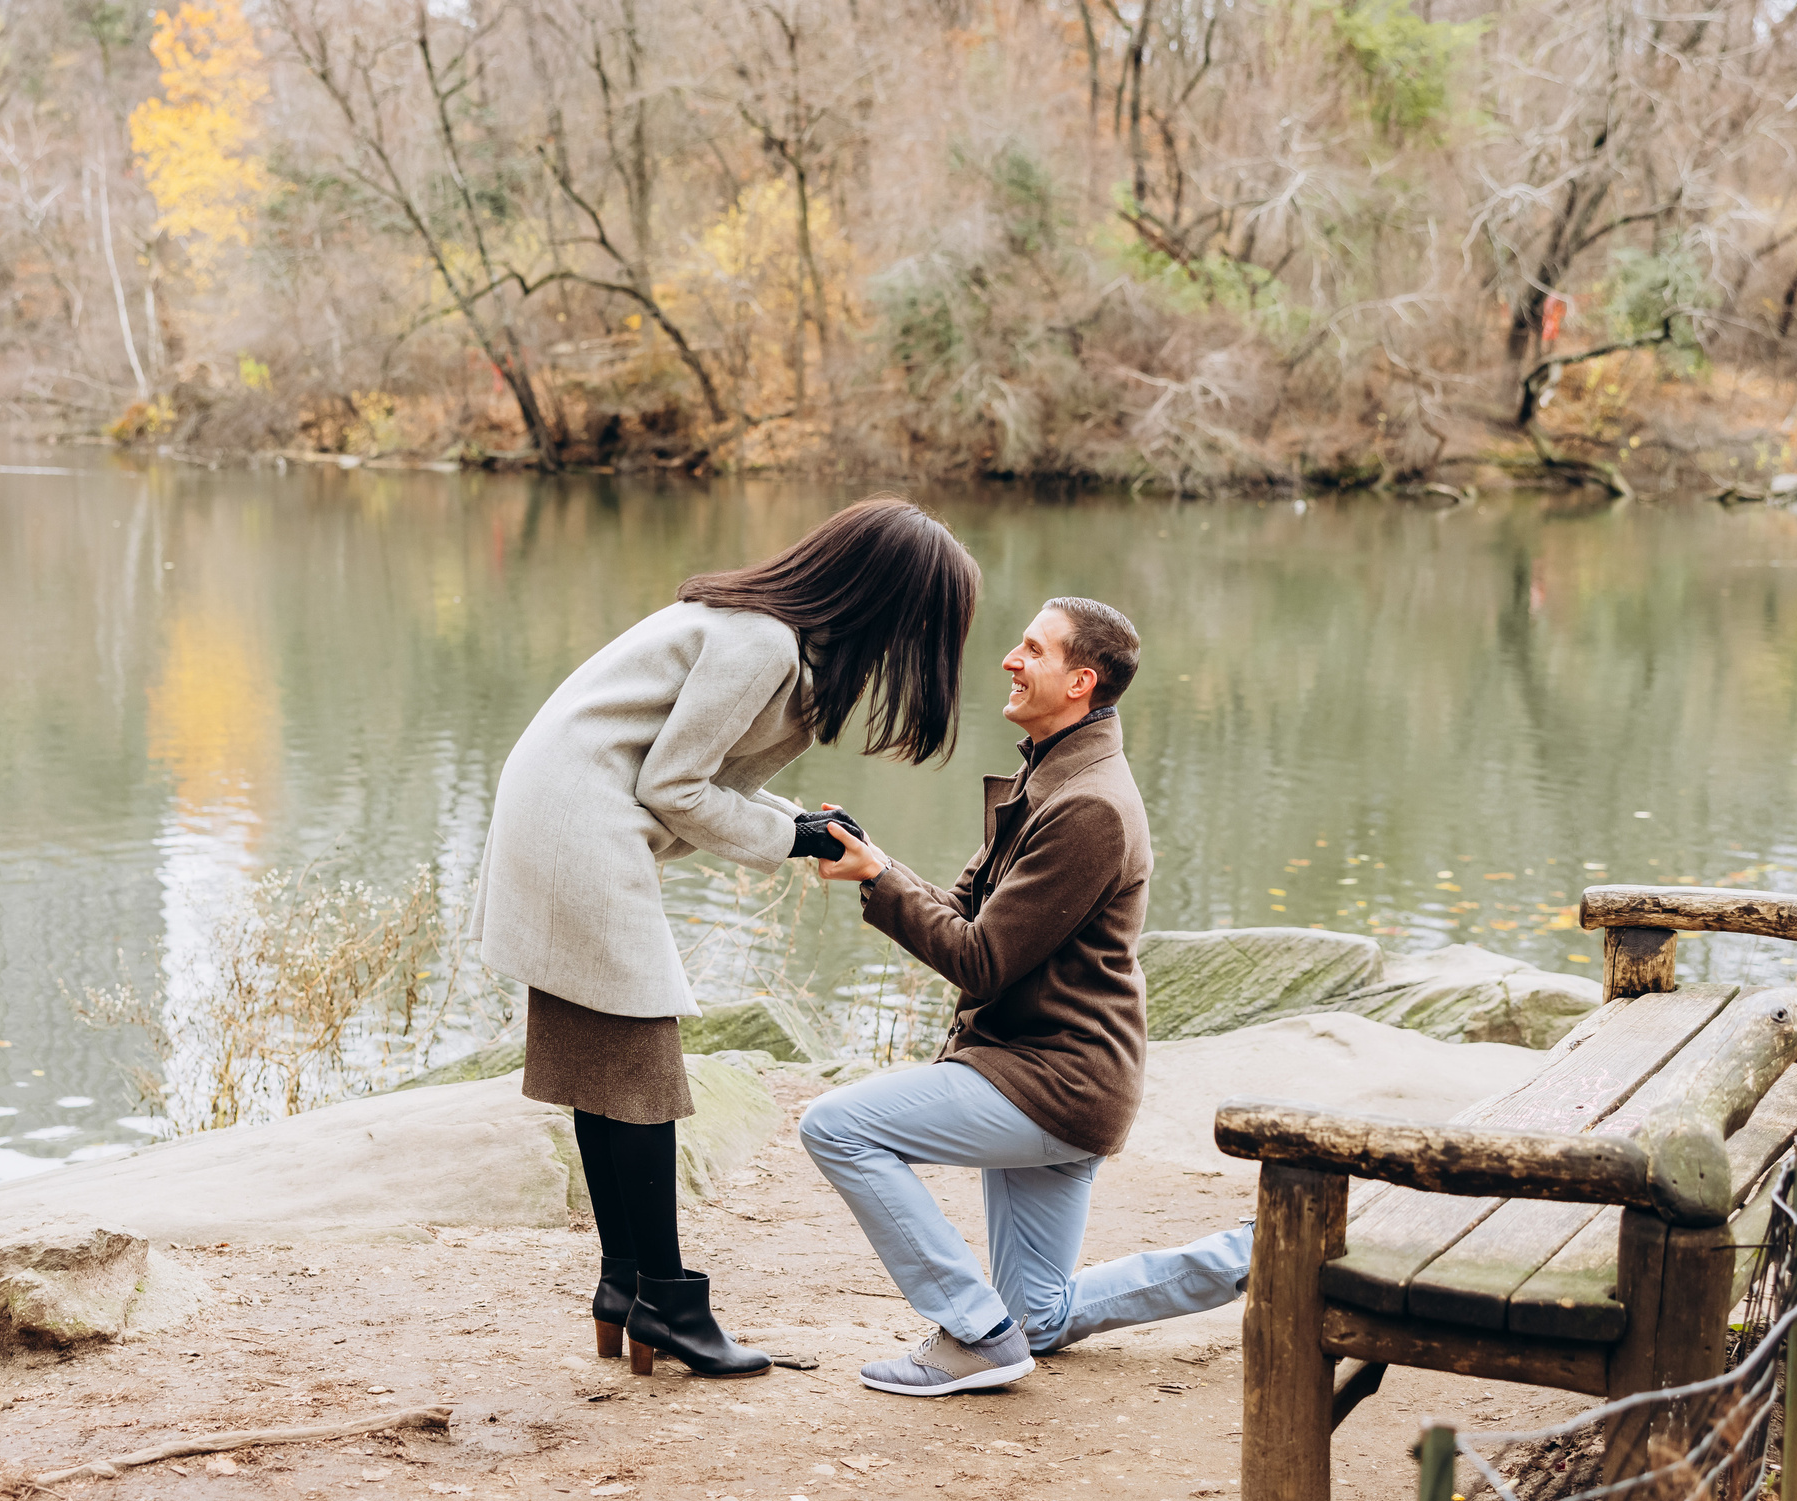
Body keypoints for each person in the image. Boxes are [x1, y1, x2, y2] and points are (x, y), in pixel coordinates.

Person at [472, 498, 980, 1379]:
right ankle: (668, 1304)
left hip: (566, 811)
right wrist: (794, 839)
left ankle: (625, 1288)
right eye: (926, 619)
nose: (923, 640)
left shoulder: (766, 634)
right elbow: (674, 786)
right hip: (580, 824)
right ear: (883, 598)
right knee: (642, 1072)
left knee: (605, 1072)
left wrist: (802, 826)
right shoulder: (762, 644)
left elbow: (682, 771)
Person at [798, 597, 1254, 1396]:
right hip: (1049, 1075)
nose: (1010, 659)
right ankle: (1264, 1252)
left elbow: (981, 959)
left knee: (837, 1127)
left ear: (1081, 681)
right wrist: (877, 861)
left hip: (1051, 1083)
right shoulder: (1052, 774)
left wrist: (879, 881)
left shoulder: (1090, 807)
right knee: (1038, 1317)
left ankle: (972, 1331)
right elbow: (970, 910)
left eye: (1033, 650)